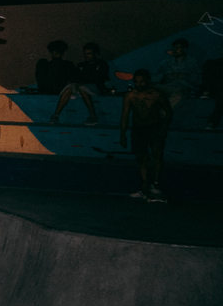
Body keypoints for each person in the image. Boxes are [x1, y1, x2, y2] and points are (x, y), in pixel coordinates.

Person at [119, 69, 173, 202]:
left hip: (155, 128)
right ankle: (144, 187)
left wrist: (163, 129)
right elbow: (125, 115)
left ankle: (155, 184)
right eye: (136, 82)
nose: (139, 84)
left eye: (142, 81)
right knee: (141, 158)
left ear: (148, 81)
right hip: (138, 129)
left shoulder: (157, 94)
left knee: (157, 155)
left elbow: (169, 112)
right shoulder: (130, 95)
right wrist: (123, 135)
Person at [50, 42, 110, 125]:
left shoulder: (102, 64)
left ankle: (93, 116)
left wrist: (83, 82)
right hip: (80, 86)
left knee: (83, 88)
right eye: (85, 54)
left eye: (89, 54)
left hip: (95, 87)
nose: (86, 56)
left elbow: (100, 78)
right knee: (69, 87)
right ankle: (56, 115)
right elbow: (76, 77)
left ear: (96, 54)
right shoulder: (81, 65)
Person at [155, 38, 201, 108]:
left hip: (184, 88)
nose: (174, 50)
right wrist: (165, 76)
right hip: (168, 86)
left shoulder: (192, 62)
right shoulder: (166, 62)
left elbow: (199, 78)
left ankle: (164, 113)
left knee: (178, 94)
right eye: (173, 48)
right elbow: (154, 76)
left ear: (185, 49)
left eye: (177, 48)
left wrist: (184, 76)